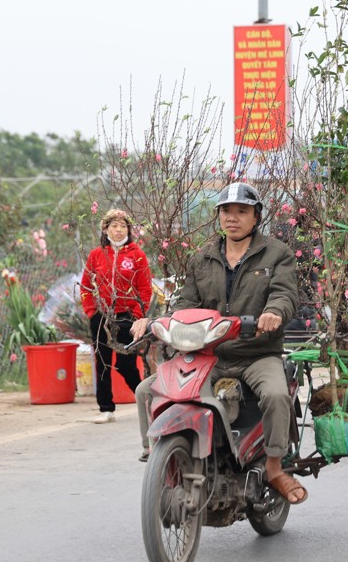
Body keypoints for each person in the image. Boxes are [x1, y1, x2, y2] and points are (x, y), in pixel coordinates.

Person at [130, 183, 306, 505]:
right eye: (227, 211)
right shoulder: (205, 256)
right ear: (219, 216)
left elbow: (285, 294)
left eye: (242, 211)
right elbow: (184, 304)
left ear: (256, 217)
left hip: (256, 352)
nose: (233, 218)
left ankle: (274, 467)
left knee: (277, 395)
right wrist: (154, 322)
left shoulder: (275, 253)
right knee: (147, 391)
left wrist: (273, 313)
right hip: (207, 355)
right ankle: (159, 459)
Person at [79, 208, 153, 423]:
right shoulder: (96, 255)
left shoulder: (137, 255)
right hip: (102, 316)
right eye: (114, 226)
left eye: (123, 226)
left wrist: (137, 315)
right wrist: (92, 312)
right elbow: (85, 285)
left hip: (127, 317)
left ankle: (148, 400)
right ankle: (106, 409)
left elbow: (145, 288)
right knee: (102, 362)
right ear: (106, 229)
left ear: (129, 229)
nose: (119, 231)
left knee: (125, 363)